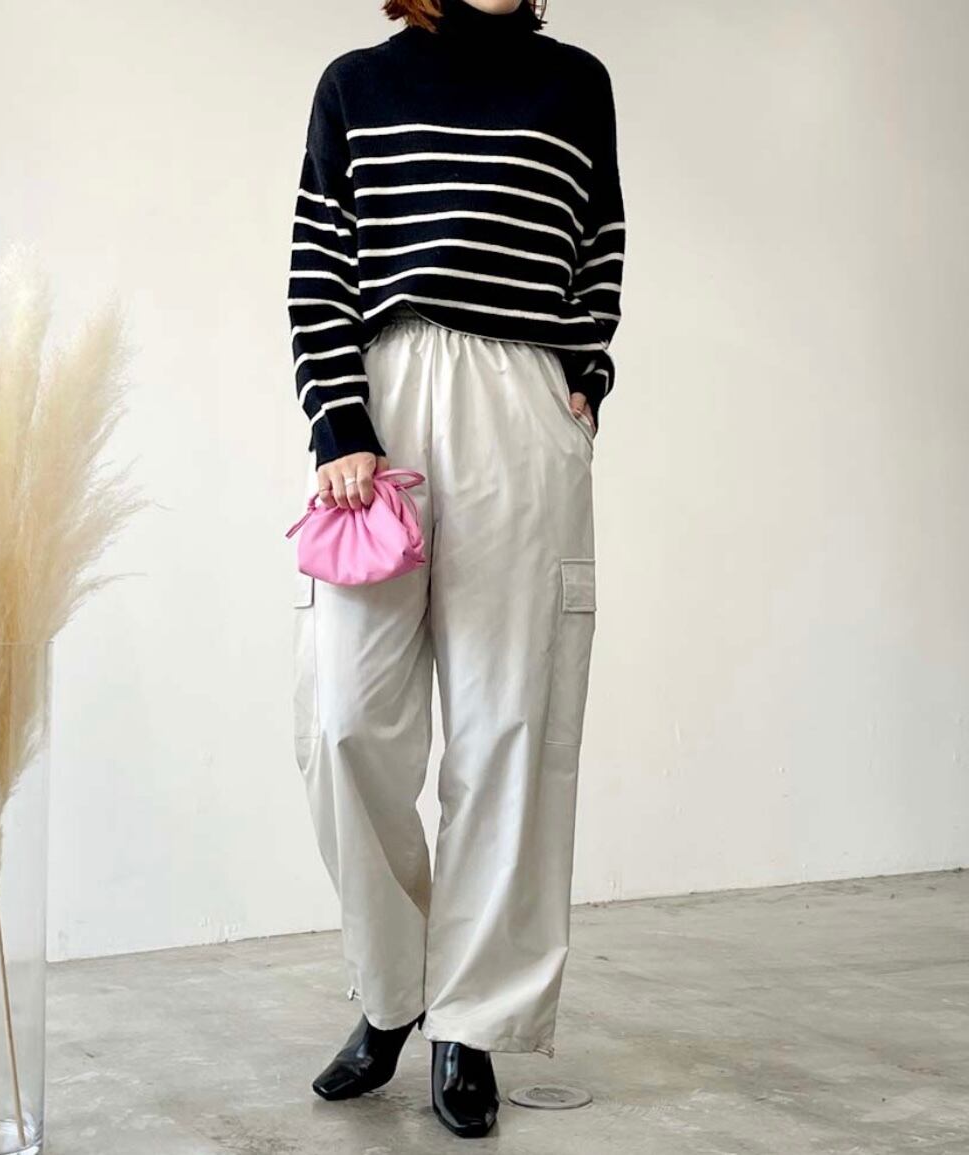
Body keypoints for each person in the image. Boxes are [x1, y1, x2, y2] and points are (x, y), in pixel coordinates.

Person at [287, 0, 624, 1138]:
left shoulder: (576, 83)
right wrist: (340, 423)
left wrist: (585, 379)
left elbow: (599, 247)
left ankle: (469, 1021)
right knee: (346, 719)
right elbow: (320, 267)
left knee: (508, 727)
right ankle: (395, 992)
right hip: (384, 405)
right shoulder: (356, 84)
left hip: (520, 409)